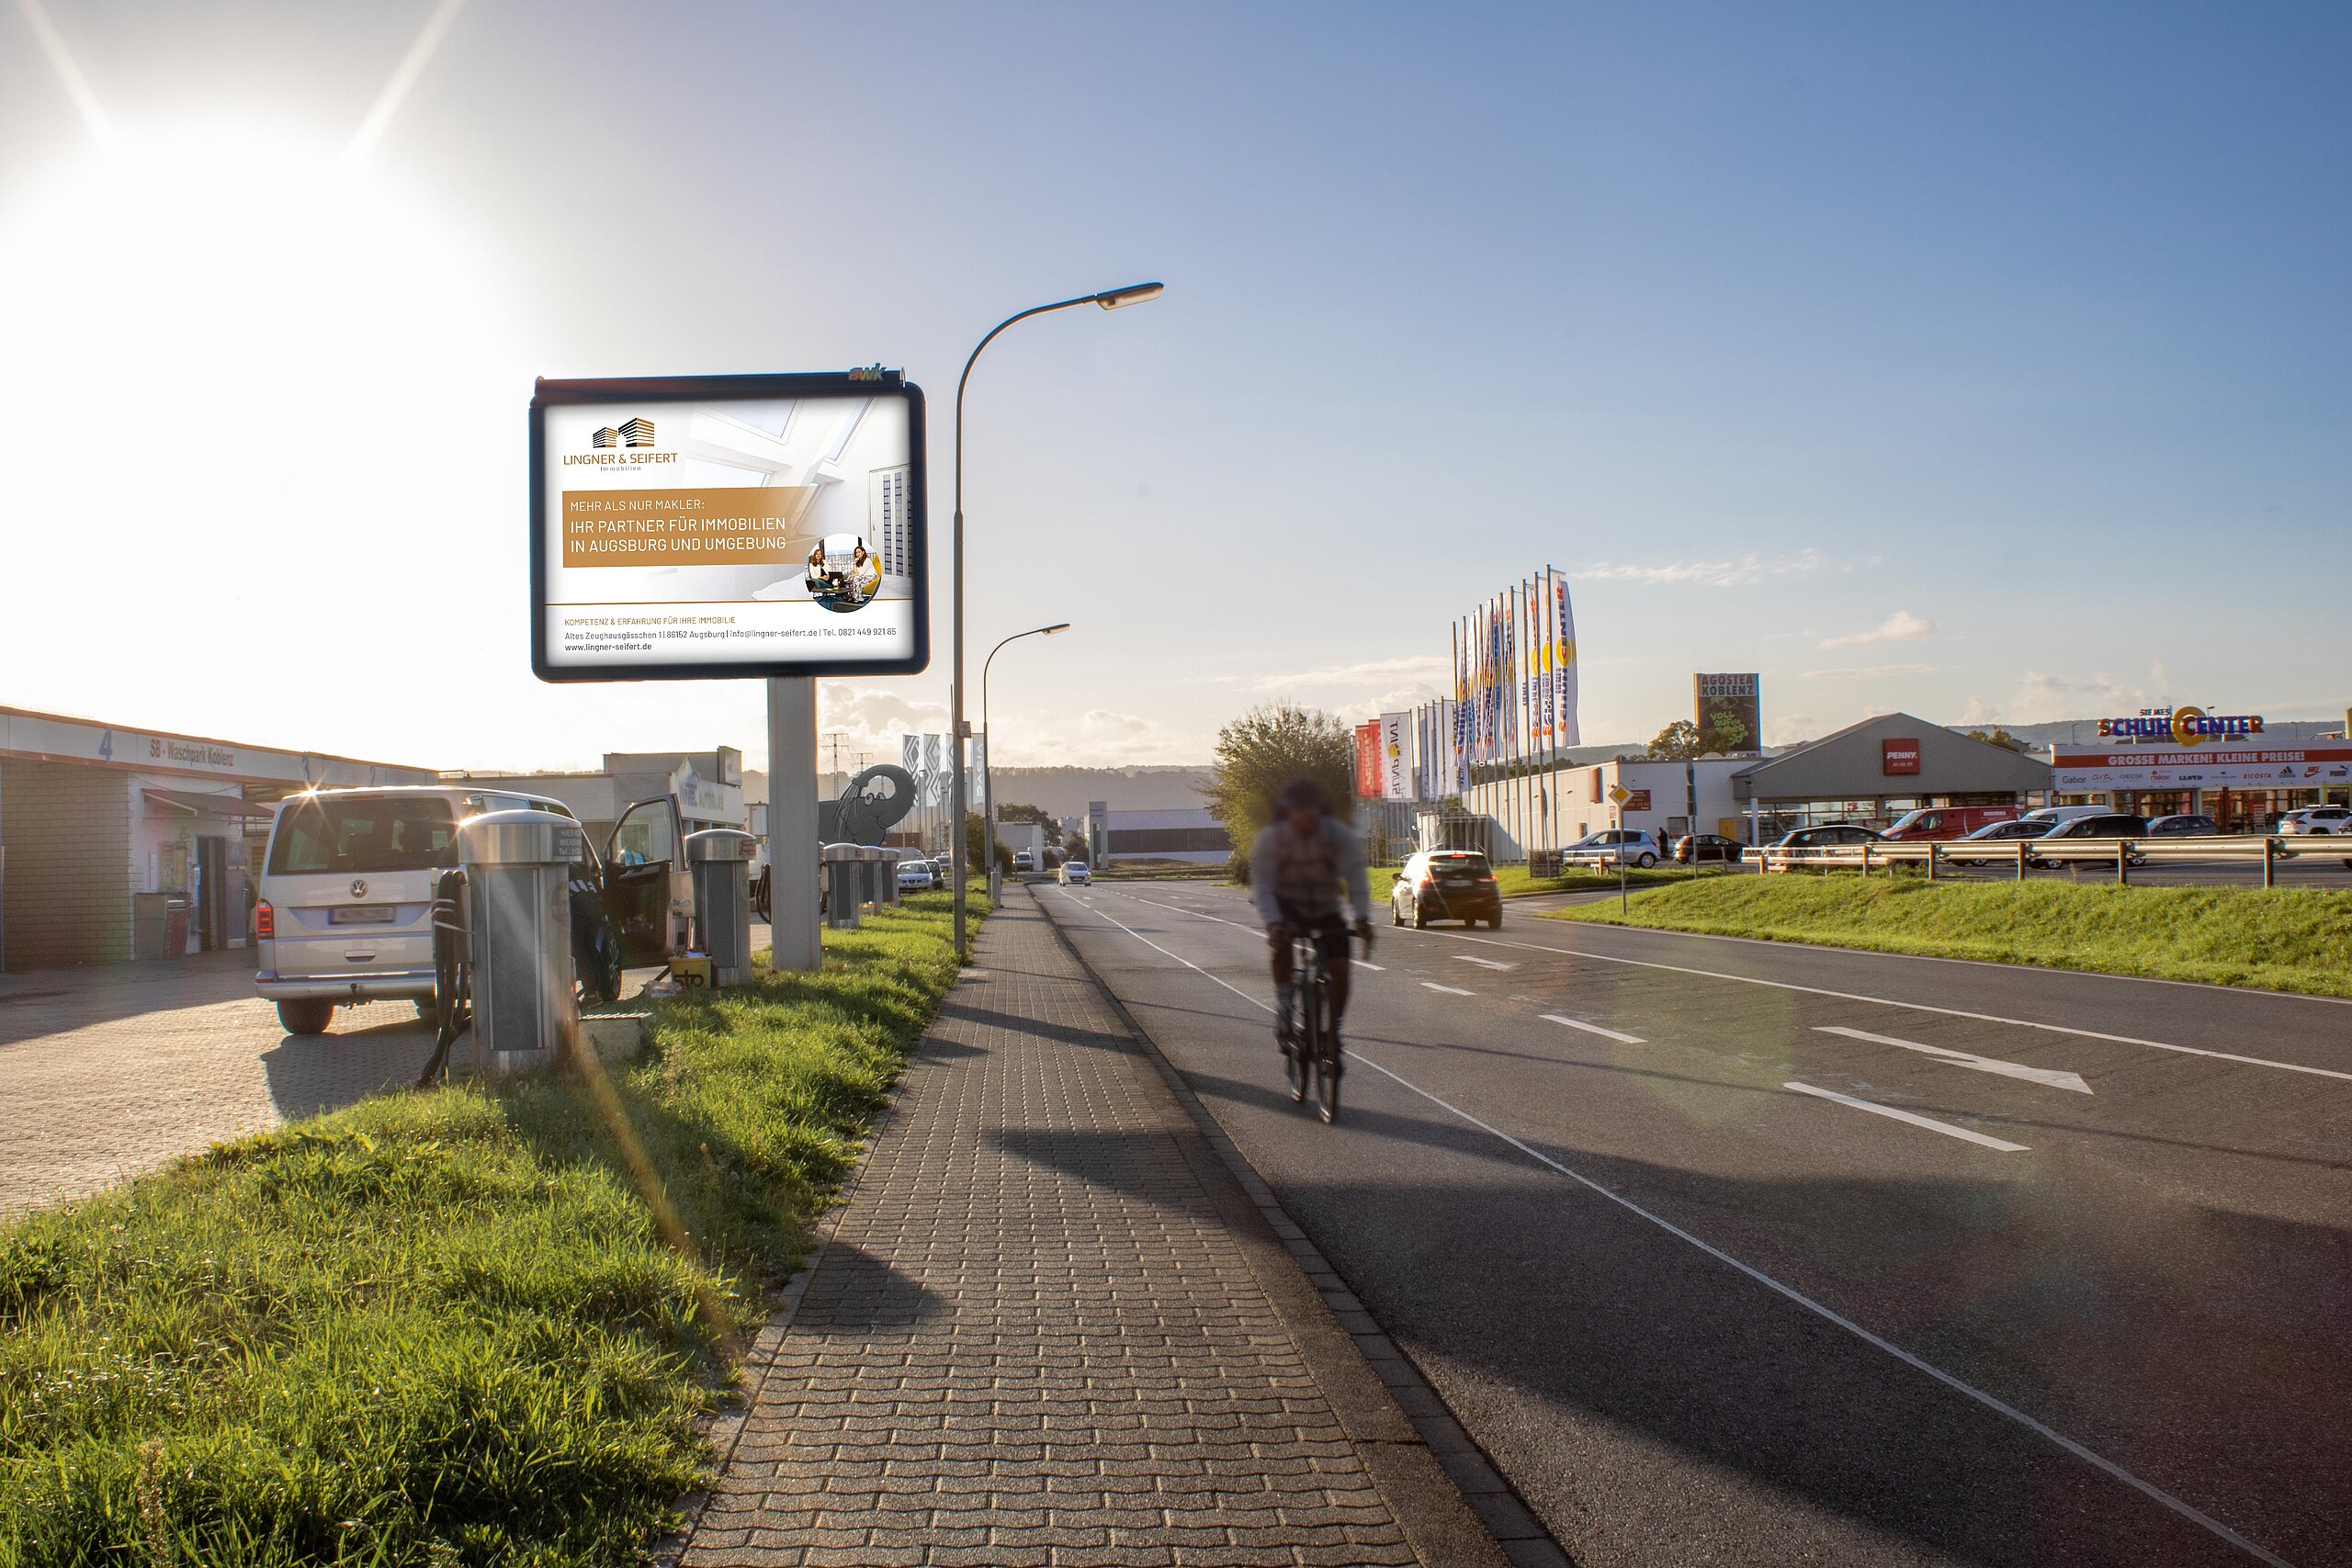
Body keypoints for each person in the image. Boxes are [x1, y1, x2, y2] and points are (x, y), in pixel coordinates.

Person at [1250, 777, 1373, 1056]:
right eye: (1299, 809)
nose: (1307, 815)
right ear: (1288, 811)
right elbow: (1263, 886)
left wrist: (1362, 918)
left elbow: (1356, 877)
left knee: (1340, 967)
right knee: (1281, 947)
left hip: (1324, 908)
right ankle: (1284, 1008)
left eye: (1312, 808)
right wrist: (1273, 924)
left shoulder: (1336, 835)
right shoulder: (1272, 839)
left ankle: (1334, 1029)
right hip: (1286, 907)